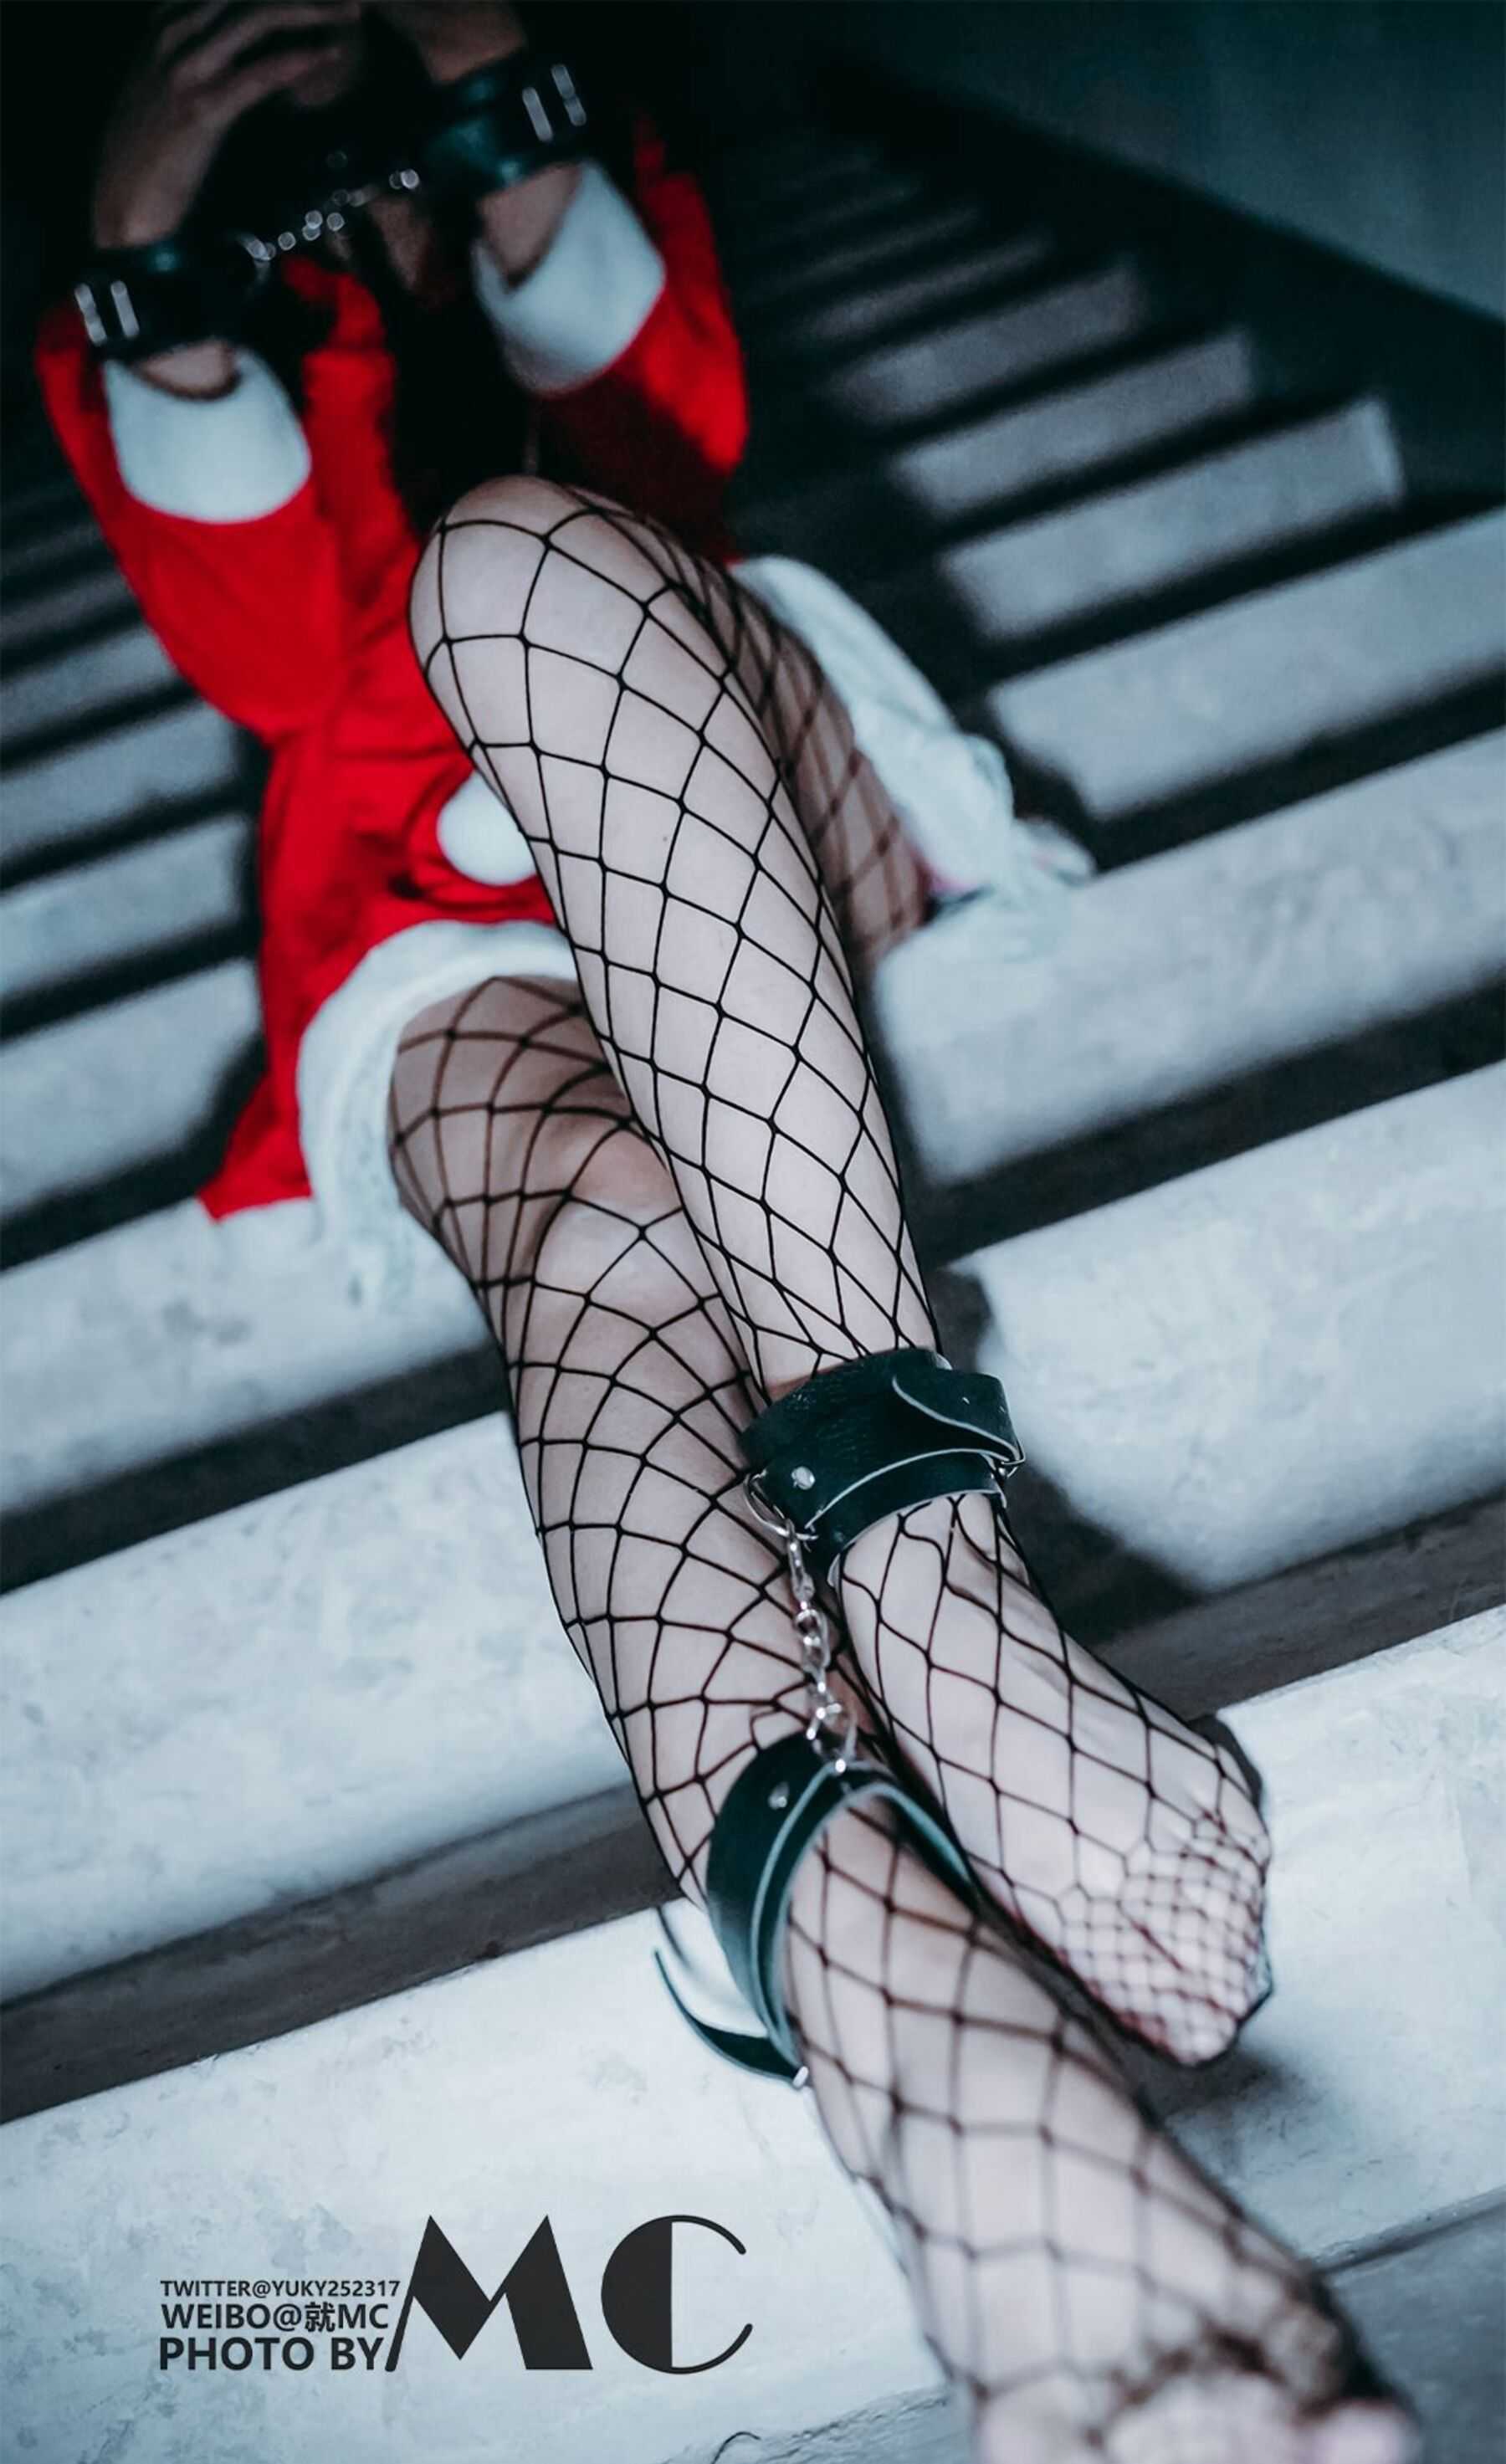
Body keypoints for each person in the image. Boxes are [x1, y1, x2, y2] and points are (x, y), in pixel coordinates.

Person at [37, 8, 1416, 2455]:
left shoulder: (547, 162)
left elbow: (671, 419)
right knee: (586, 1218)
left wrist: (501, 113)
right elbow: (260, 648)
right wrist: (148, 252)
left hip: (701, 732)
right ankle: (879, 1991)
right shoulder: (243, 284)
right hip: (409, 888)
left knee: (527, 559)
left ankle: (935, 1603)